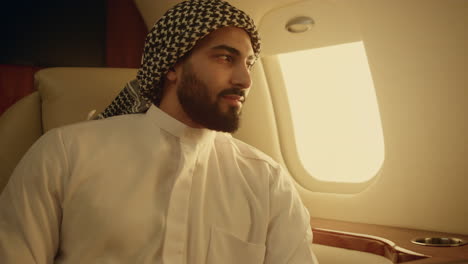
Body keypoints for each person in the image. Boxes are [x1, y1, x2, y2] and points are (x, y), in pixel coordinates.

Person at [0, 0, 317, 263]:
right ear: (172, 66)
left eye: (249, 63)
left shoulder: (268, 182)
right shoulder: (66, 153)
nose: (245, 80)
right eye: (225, 57)